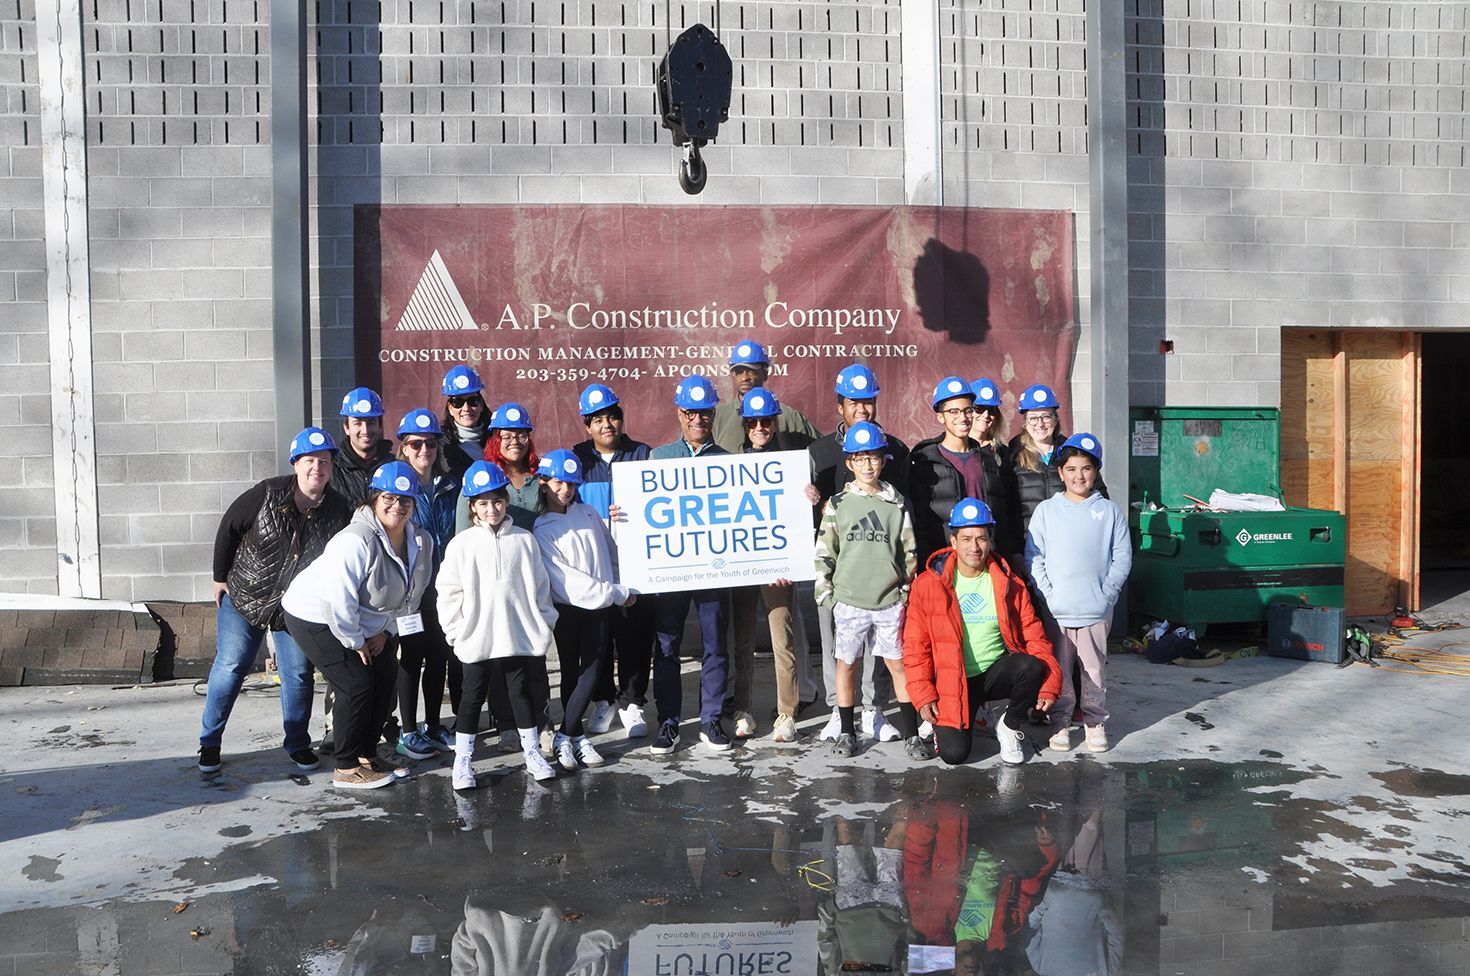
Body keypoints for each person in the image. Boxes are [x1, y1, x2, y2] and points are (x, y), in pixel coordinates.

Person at [198, 426, 352, 773]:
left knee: (298, 674)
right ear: (296, 463)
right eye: (309, 460)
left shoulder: (339, 510)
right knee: (232, 665)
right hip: (246, 595)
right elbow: (229, 527)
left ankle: (297, 744)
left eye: (324, 461)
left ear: (331, 467)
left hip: (295, 607)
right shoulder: (267, 493)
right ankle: (209, 743)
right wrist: (219, 577)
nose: (317, 468)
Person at [281, 460, 433, 789]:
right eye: (389, 498)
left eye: (405, 500)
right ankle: (346, 767)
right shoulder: (355, 540)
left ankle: (367, 754)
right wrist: (357, 642)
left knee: (385, 674)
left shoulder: (420, 542)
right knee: (356, 681)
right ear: (374, 500)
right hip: (314, 614)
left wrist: (385, 632)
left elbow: (411, 594)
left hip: (365, 620)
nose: (397, 506)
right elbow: (338, 601)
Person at [902, 498, 1061, 767]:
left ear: (991, 541)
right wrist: (923, 694)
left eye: (981, 538)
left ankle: (1009, 727)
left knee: (1032, 666)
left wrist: (1050, 683)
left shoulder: (1009, 582)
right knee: (954, 756)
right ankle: (956, 719)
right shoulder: (929, 585)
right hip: (951, 680)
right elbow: (915, 645)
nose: (974, 547)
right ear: (953, 542)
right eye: (966, 539)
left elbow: (1034, 636)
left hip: (993, 673)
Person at [438, 459, 560, 788]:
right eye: (482, 503)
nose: (491, 509)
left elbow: (540, 587)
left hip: (517, 634)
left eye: (496, 501)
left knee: (520, 693)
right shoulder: (461, 545)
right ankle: (462, 761)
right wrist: (456, 631)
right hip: (476, 637)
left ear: (506, 501)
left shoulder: (524, 540)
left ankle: (532, 752)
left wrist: (543, 623)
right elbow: (448, 592)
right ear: (472, 507)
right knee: (471, 697)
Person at [808, 363, 910, 743]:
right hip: (839, 570)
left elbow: (903, 513)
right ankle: (839, 711)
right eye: (854, 403)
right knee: (837, 644)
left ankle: (874, 710)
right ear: (840, 407)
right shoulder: (818, 451)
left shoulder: (895, 451)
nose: (863, 410)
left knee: (881, 646)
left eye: (868, 402)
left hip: (881, 572)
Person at [812, 421, 925, 761]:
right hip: (848, 601)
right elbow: (824, 551)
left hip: (888, 602)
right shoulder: (838, 504)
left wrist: (903, 592)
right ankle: (848, 732)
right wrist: (826, 595)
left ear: (883, 460)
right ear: (849, 463)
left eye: (873, 458)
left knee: (897, 665)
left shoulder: (896, 503)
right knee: (847, 665)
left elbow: (909, 552)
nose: (867, 465)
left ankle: (911, 734)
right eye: (860, 459)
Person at [1024, 433, 1131, 754]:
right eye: (1071, 469)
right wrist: (1048, 597)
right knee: (1059, 669)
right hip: (1057, 611)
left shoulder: (1109, 512)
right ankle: (1060, 721)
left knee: (1094, 668)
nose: (1079, 476)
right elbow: (1034, 557)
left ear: (1095, 471)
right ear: (1060, 472)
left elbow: (1122, 556)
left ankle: (1095, 721)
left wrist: (1106, 594)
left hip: (1095, 610)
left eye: (1086, 468)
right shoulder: (1046, 511)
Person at [646, 374, 734, 755]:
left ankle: (711, 718)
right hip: (671, 569)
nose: (698, 420)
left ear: (713, 413)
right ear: (679, 413)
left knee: (716, 644)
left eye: (705, 413)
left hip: (714, 567)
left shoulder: (729, 464)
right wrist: (625, 513)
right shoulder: (658, 458)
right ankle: (668, 722)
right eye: (690, 413)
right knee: (666, 646)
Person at [532, 449, 635, 770]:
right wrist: (616, 592)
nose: (566, 490)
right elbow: (568, 582)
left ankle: (568, 736)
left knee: (590, 673)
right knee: (570, 672)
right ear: (544, 483)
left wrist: (622, 583)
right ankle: (575, 736)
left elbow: (611, 550)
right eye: (559, 483)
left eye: (572, 484)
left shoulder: (589, 513)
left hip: (599, 608)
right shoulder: (542, 528)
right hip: (569, 611)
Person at [728, 388, 819, 742]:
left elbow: (805, 510)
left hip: (778, 564)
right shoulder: (728, 463)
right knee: (743, 639)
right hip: (740, 563)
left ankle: (786, 713)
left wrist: (811, 496)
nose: (760, 427)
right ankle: (744, 709)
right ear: (745, 425)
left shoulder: (794, 462)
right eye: (753, 422)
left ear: (775, 421)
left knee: (783, 639)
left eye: (766, 420)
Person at [571, 383, 654, 739]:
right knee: (598, 638)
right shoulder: (576, 459)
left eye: (613, 416)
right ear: (587, 426)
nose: (608, 424)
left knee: (635, 635)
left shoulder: (642, 453)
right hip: (595, 569)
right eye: (599, 419)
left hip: (636, 567)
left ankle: (632, 702)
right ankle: (602, 701)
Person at [391, 408, 462, 761]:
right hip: (408, 591)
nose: (424, 450)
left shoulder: (449, 486)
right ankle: (408, 731)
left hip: (443, 588)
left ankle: (433, 726)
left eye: (430, 443)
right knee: (411, 658)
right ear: (403, 447)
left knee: (438, 658)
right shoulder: (395, 490)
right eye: (416, 443)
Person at [910, 375, 996, 565]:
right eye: (954, 412)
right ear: (941, 417)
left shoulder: (987, 460)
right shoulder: (926, 462)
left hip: (985, 561)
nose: (963, 418)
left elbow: (1002, 514)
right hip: (943, 562)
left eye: (967, 410)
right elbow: (921, 521)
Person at [1008, 383, 1107, 544]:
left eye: (1046, 417)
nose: (1040, 424)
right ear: (1025, 423)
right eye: (1033, 418)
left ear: (1055, 419)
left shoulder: (1072, 453)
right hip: (1031, 543)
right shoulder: (1013, 456)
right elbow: (1008, 510)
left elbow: (1100, 497)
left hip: (1071, 542)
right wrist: (1016, 551)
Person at [711, 340, 819, 454]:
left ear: (765, 373)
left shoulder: (789, 417)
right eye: (739, 371)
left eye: (751, 370)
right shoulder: (717, 417)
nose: (744, 377)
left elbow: (821, 452)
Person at [969, 377, 1023, 558]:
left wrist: (1015, 551)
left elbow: (1013, 506)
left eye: (991, 410)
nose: (985, 415)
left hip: (998, 545)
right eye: (979, 408)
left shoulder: (1004, 454)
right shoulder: (954, 450)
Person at [483, 401, 543, 531]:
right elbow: (464, 533)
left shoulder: (542, 477)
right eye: (507, 437)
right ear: (496, 440)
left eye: (521, 436)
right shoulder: (482, 478)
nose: (515, 442)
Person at [332, 387, 395, 506]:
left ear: (380, 426)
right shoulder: (331, 469)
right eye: (358, 423)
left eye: (371, 423)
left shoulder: (393, 466)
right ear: (346, 428)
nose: (365, 430)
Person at [440, 364, 490, 478]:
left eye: (473, 401)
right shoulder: (438, 446)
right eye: (458, 402)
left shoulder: (498, 441)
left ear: (481, 405)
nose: (466, 408)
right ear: (450, 408)